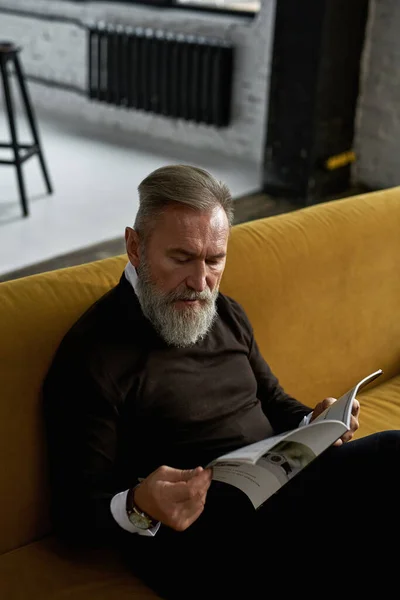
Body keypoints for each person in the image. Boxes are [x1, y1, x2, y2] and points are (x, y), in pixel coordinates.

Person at [43, 164, 400, 598]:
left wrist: (317, 421)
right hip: (204, 535)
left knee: (393, 451)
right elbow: (73, 514)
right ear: (135, 248)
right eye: (181, 258)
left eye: (215, 260)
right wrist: (139, 504)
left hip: (284, 485)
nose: (200, 282)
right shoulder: (92, 356)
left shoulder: (225, 312)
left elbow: (271, 401)